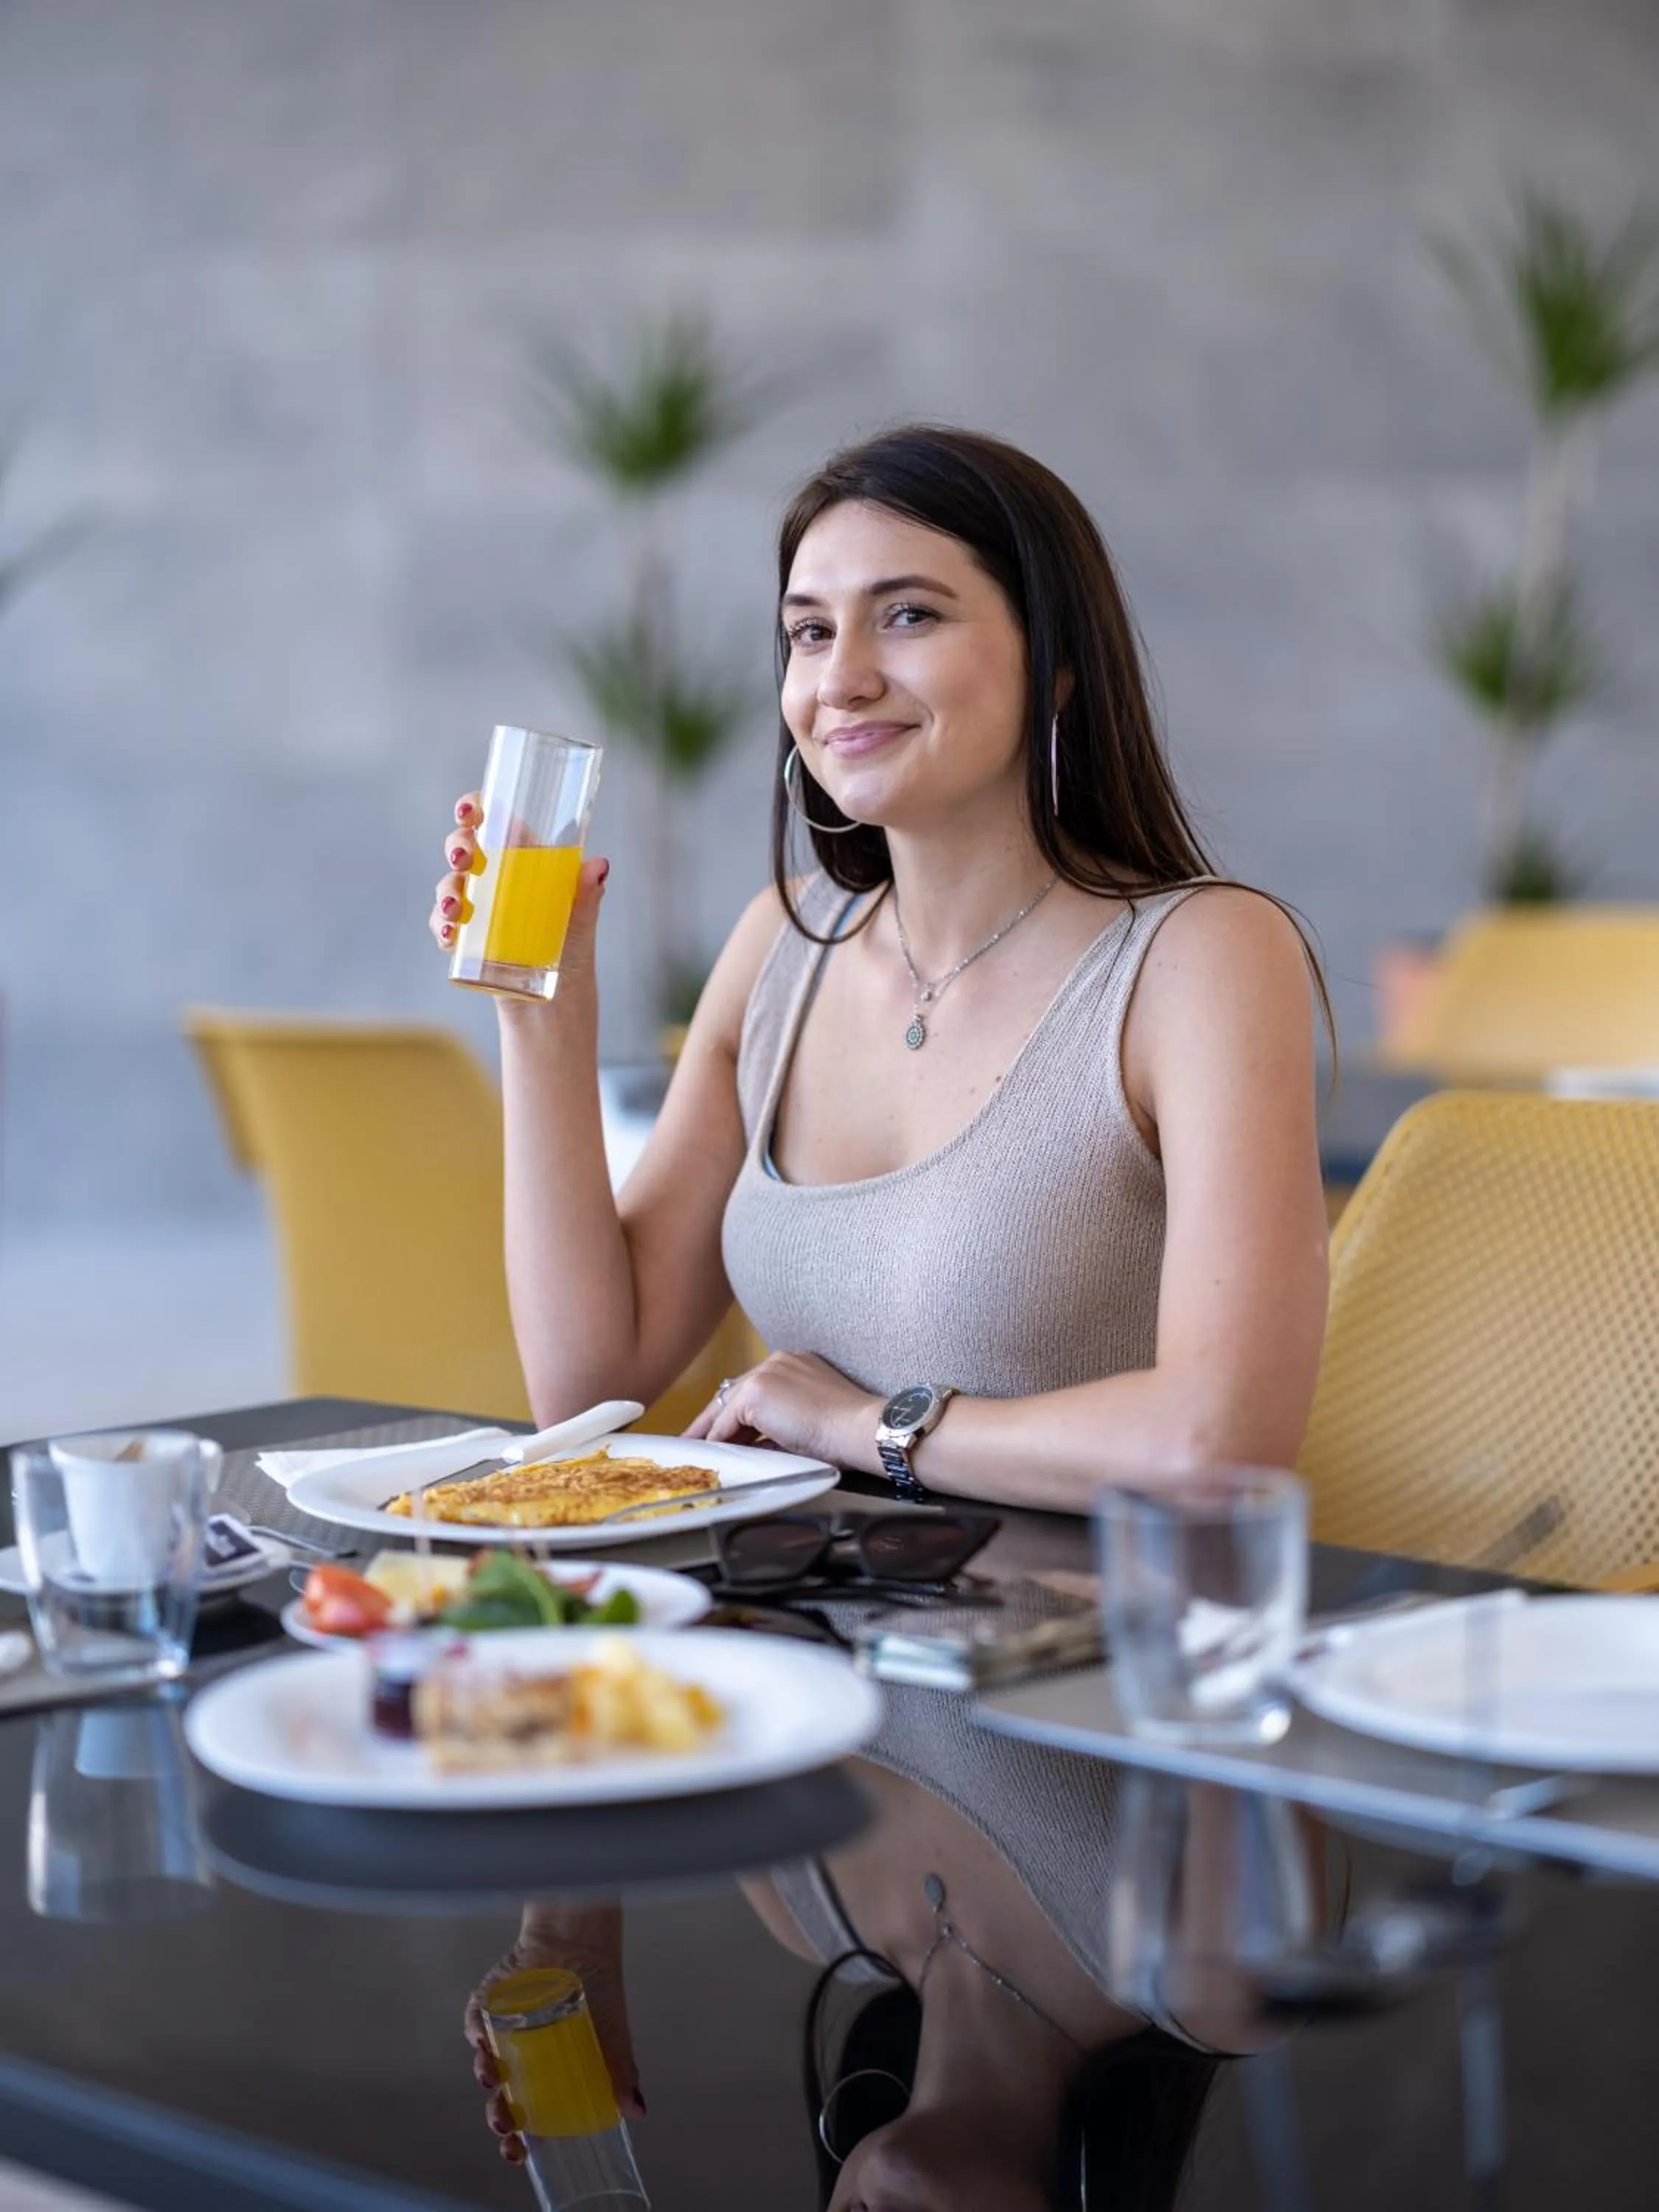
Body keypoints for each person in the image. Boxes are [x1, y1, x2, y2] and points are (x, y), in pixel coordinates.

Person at [431, 424, 1331, 1511]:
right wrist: (542, 1015)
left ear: (1055, 667)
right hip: (816, 1631)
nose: (841, 680)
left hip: (1080, 1653)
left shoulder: (1201, 958)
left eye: (907, 616)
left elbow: (1221, 1445)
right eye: (808, 634)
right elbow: (589, 1384)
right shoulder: (781, 943)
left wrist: (868, 1427)